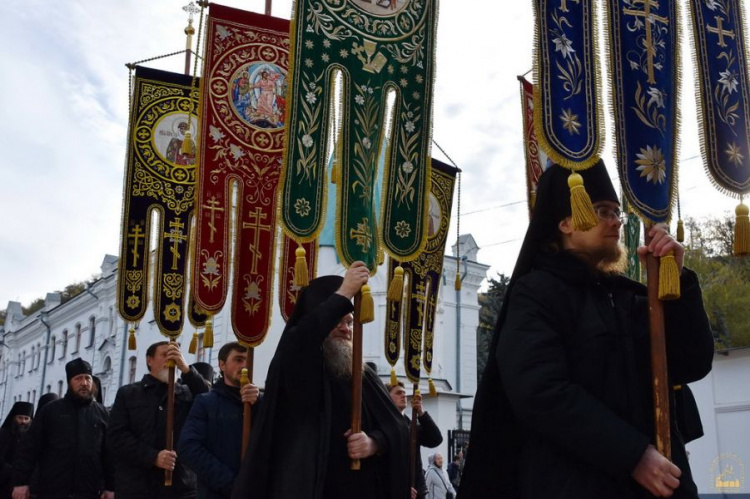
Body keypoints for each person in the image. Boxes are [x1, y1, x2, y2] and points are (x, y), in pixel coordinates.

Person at [459, 161, 714, 498]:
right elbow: (540, 391)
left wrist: (677, 282)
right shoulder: (537, 294)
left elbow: (691, 364)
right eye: (601, 211)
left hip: (661, 484)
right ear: (566, 222)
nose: (615, 222)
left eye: (616, 212)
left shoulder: (630, 297)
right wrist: (633, 455)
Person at [232, 262, 409, 499]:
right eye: (337, 320)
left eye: (348, 322)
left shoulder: (363, 375)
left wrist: (374, 443)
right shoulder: (297, 361)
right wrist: (345, 293)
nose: (346, 329)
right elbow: (302, 339)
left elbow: (399, 427)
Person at [108, 341, 209, 498]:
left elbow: (209, 399)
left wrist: (186, 369)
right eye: (164, 355)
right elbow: (117, 437)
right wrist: (153, 456)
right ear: (150, 360)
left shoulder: (187, 393)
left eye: (175, 355)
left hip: (180, 487)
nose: (171, 359)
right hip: (138, 487)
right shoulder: (128, 394)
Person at [12, 358, 114, 499]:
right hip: (53, 489)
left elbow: (109, 454)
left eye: (87, 378)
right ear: (69, 382)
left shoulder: (102, 413)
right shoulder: (51, 411)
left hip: (88, 491)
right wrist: (21, 482)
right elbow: (30, 448)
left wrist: (110, 487)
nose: (84, 383)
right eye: (78, 378)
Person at [178, 342, 260, 498]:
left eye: (247, 360)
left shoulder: (260, 403)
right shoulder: (206, 402)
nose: (244, 366)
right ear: (222, 365)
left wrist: (259, 404)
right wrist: (231, 484)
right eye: (238, 359)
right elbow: (188, 448)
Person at [387, 381, 443, 498]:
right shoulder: (383, 424)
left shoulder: (411, 426)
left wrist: (421, 413)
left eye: (404, 393)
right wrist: (401, 486)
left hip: (416, 491)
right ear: (386, 396)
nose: (403, 395)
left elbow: (436, 439)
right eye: (398, 393)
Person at [0, 402, 34, 496]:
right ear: (14, 418)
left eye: (26, 418)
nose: (23, 421)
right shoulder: (3, 434)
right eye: (20, 418)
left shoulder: (32, 438)